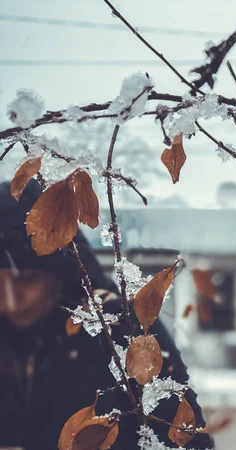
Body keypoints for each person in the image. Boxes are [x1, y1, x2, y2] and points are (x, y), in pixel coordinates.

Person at [0, 180, 213, 449]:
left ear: (61, 273)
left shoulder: (118, 324)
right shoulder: (9, 340)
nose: (10, 301)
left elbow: (185, 439)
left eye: (26, 280)